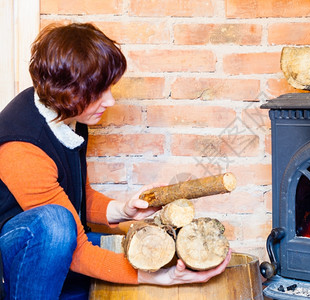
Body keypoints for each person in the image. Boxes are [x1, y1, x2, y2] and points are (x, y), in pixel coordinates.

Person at [0, 23, 231, 299]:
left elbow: (77, 197)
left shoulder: (68, 116)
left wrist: (124, 211)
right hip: (19, 256)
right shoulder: (22, 146)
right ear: (69, 92)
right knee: (56, 223)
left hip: (58, 245)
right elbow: (73, 245)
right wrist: (158, 279)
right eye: (99, 92)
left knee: (147, 253)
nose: (109, 101)